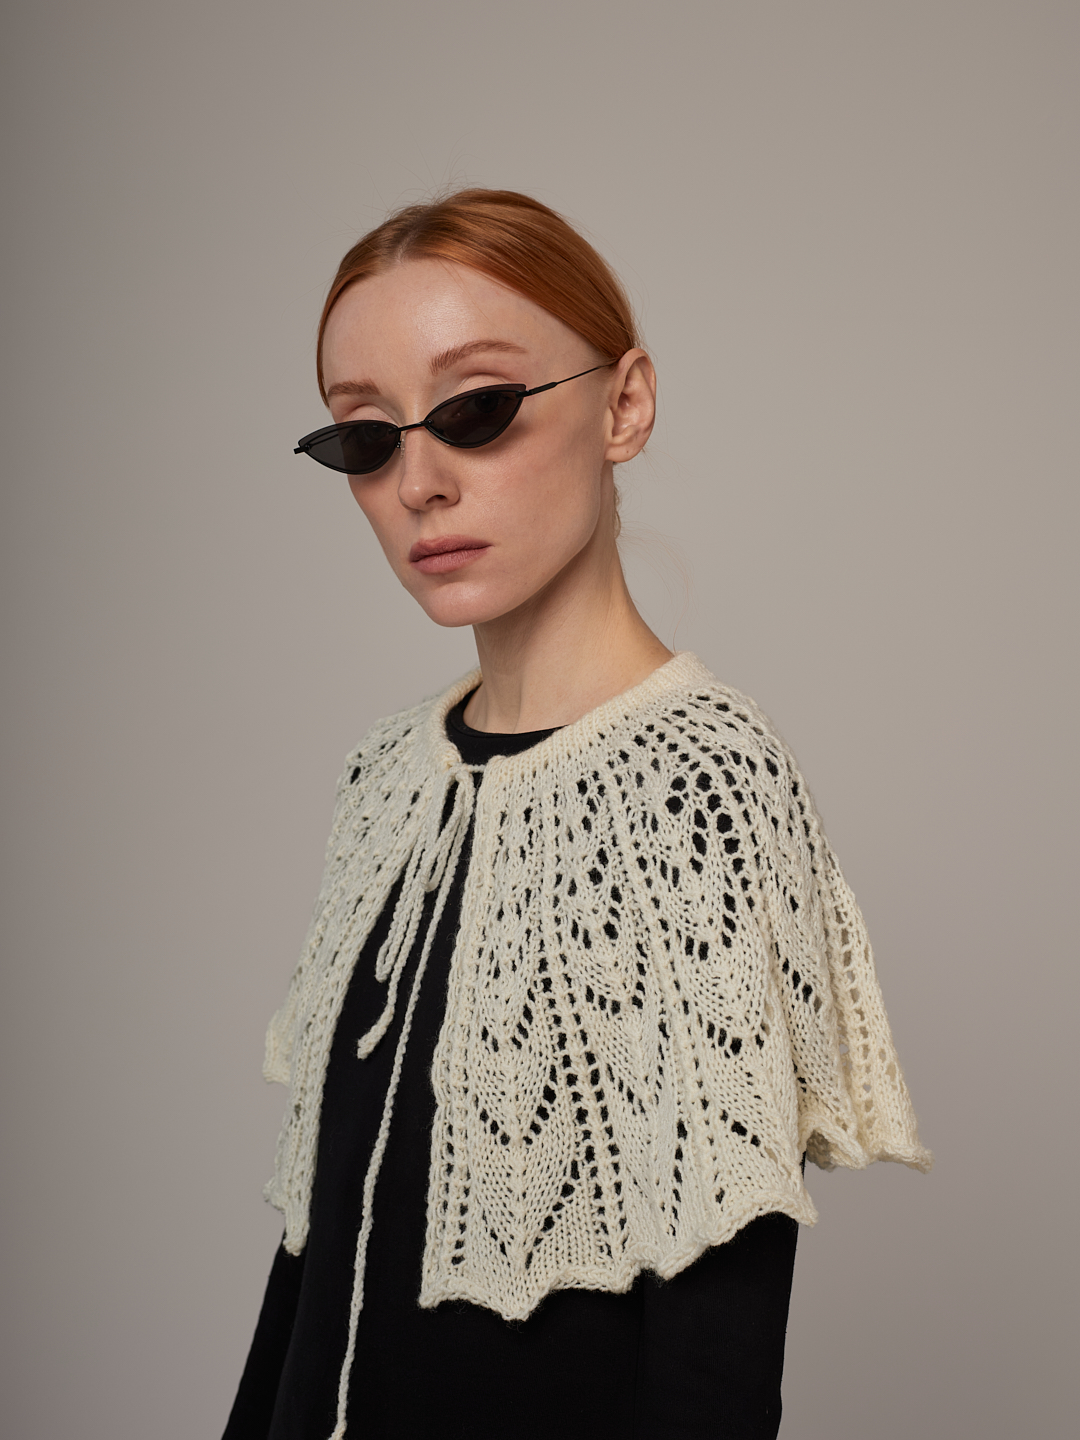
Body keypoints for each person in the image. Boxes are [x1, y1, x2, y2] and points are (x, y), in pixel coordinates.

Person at [222, 189, 931, 1440]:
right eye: (366, 438)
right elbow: (313, 1268)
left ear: (625, 406)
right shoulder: (385, 780)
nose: (419, 482)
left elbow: (716, 1343)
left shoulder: (702, 784)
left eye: (477, 409)